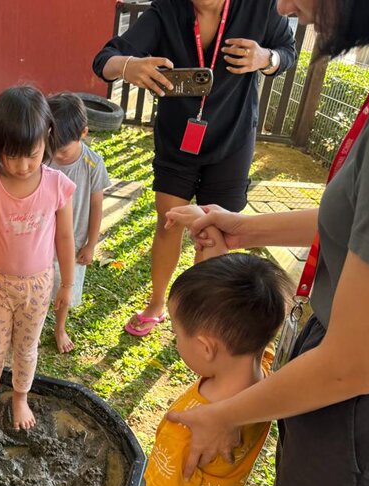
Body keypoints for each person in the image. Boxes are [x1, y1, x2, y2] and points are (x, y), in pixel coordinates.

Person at [162, 1, 369, 486]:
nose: (282, 4)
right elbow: (355, 219)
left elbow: (356, 362)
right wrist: (244, 227)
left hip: (357, 418)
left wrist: (219, 417)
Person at [83, 253, 292, 486]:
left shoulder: (191, 427)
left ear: (207, 348)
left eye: (177, 333)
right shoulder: (265, 383)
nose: (176, 341)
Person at [92, 0, 296, 337]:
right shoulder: (168, 11)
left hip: (232, 138)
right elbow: (105, 59)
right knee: (169, 222)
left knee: (214, 235)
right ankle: (157, 304)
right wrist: (128, 66)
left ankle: (198, 316)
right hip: (178, 139)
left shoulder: (260, 8)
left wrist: (266, 58)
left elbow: (286, 51)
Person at [0, 86, 76, 430]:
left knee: (26, 348)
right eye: (12, 155)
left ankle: (20, 397)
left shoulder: (57, 186)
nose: (23, 165)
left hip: (38, 286)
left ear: (47, 138)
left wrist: (67, 284)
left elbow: (64, 236)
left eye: (32, 153)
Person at [47, 92, 111, 353]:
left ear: (83, 133)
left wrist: (91, 244)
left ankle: (59, 327)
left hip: (73, 243)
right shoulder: (43, 156)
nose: (56, 154)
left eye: (62, 149)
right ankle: (34, 323)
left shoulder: (92, 164)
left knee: (65, 288)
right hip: (42, 238)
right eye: (51, 146)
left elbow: (97, 207)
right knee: (39, 286)